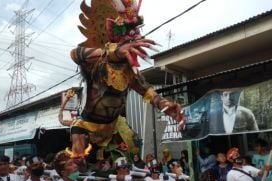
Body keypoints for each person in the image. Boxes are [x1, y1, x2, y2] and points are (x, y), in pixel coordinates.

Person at [61, 0, 185, 159]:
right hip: (88, 125)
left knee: (131, 150)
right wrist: (112, 52)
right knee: (78, 154)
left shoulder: (130, 71)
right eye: (127, 32)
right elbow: (75, 54)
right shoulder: (97, 63)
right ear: (112, 32)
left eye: (135, 32)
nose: (135, 37)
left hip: (114, 125)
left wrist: (165, 105)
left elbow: (148, 92)